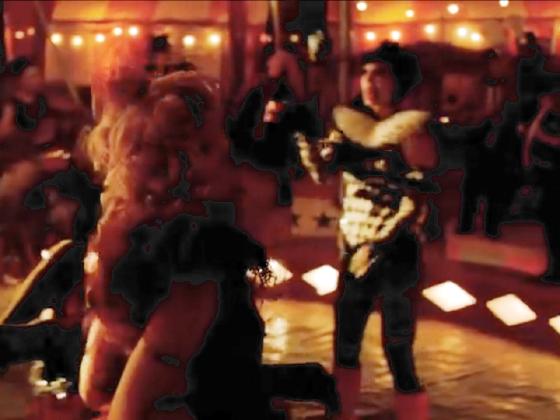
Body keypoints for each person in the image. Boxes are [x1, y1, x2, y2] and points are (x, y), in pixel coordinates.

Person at [264, 42, 438, 420]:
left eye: (381, 75)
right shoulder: (349, 125)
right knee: (345, 344)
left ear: (399, 81)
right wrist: (303, 140)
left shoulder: (412, 130)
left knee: (398, 349)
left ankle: (412, 414)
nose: (370, 83)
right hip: (354, 246)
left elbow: (416, 202)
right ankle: (341, 413)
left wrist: (379, 246)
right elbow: (322, 171)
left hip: (396, 252)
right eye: (366, 74)